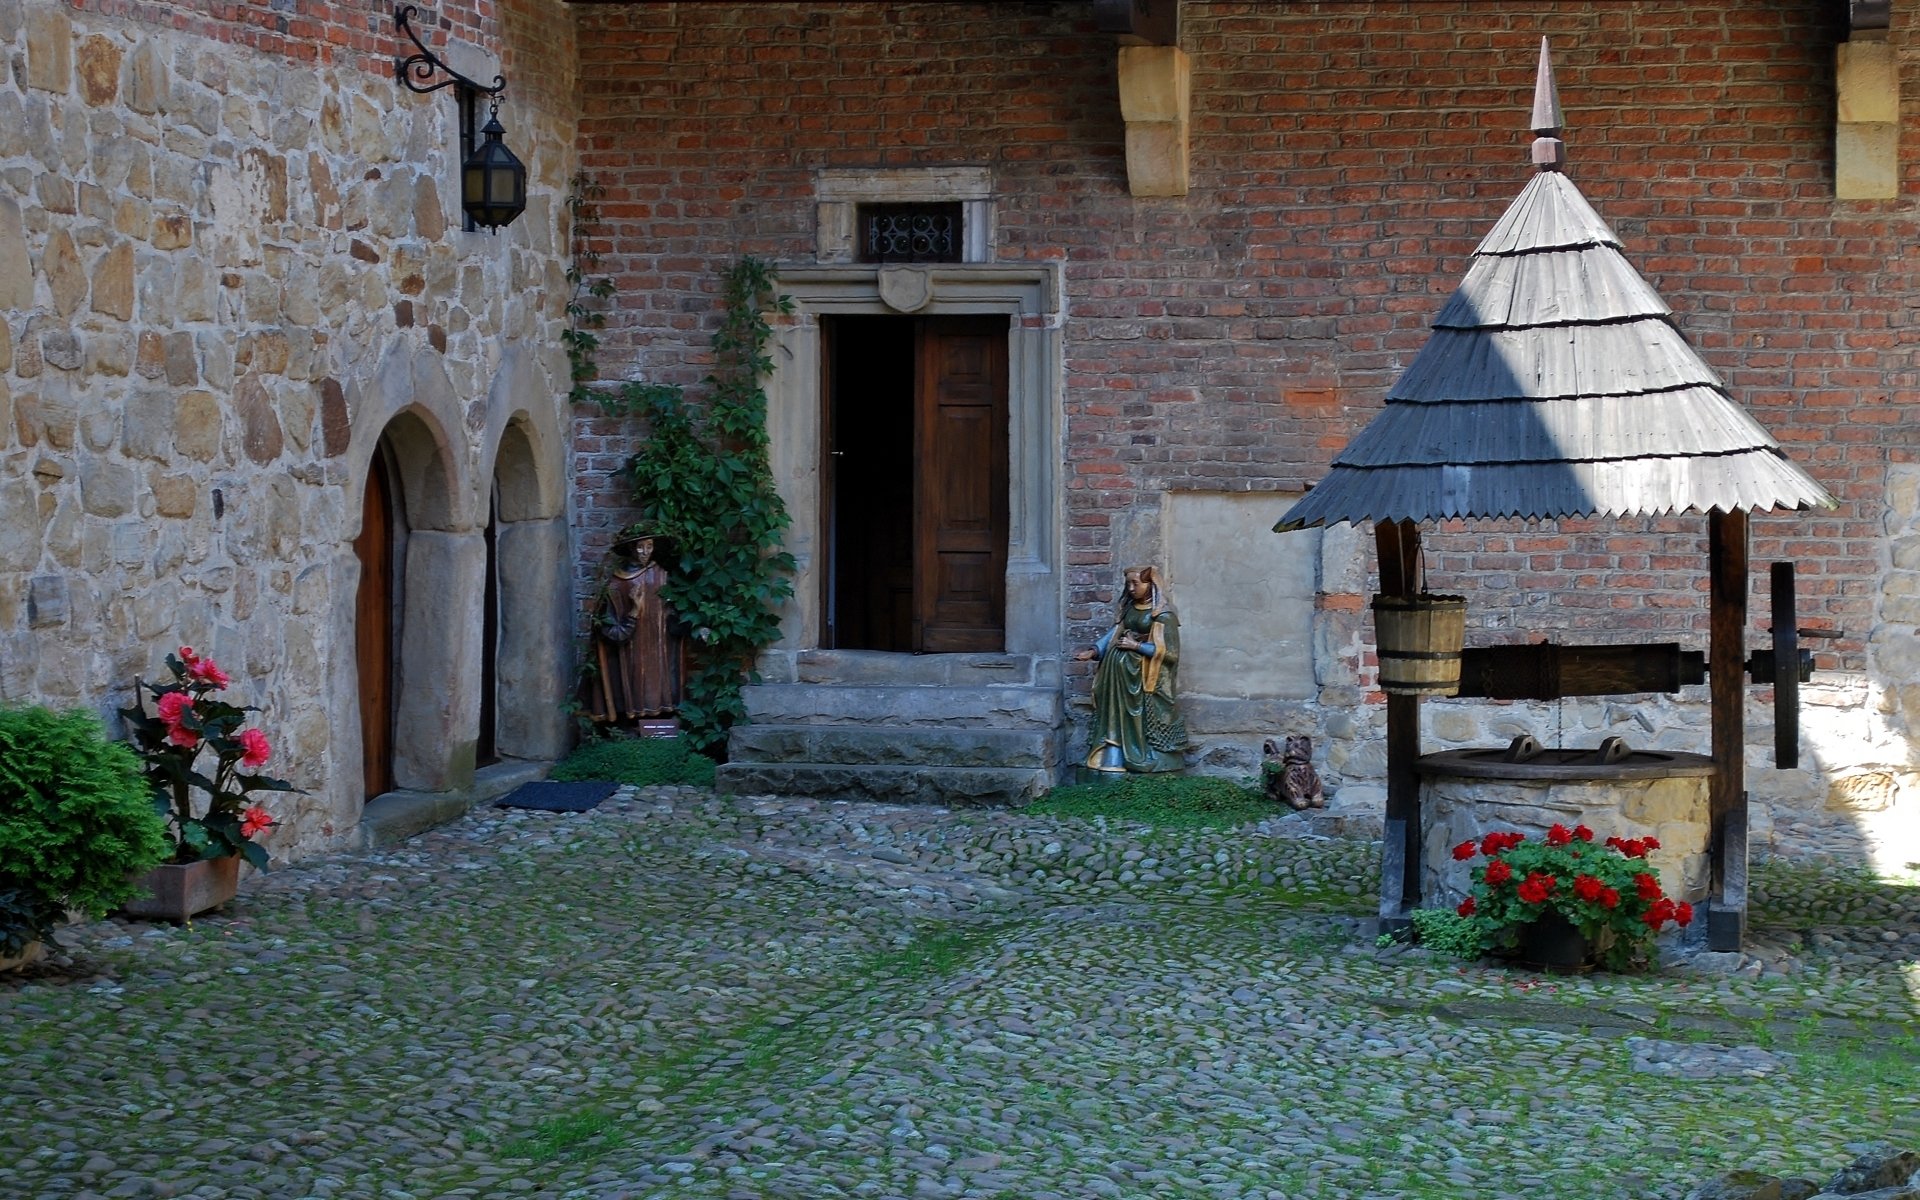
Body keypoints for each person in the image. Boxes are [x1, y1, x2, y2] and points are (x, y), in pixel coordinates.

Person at [1074, 565, 1188, 774]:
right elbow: (1115, 633)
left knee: (1139, 716)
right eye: (1128, 583)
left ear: (1151, 585)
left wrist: (1136, 646)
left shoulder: (1163, 616)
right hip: (1118, 678)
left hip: (1143, 680)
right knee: (1114, 714)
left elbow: (1170, 653)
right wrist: (1093, 650)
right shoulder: (1129, 610)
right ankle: (1111, 754)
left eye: (1136, 583)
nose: (1131, 588)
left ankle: (1142, 755)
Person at [589, 534, 679, 722]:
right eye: (640, 547)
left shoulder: (662, 574)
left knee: (656, 684)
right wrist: (634, 611)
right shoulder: (617, 581)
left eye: (649, 546)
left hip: (658, 642)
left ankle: (659, 721)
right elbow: (607, 625)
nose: (645, 552)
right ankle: (629, 722)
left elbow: (673, 610)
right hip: (631, 644)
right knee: (632, 679)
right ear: (631, 549)